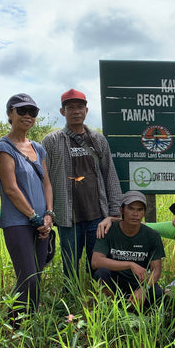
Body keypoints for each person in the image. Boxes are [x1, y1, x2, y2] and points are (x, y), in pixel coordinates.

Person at [42, 89, 122, 284]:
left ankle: (98, 301)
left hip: (97, 216)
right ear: (63, 112)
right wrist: (47, 212)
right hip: (68, 217)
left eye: (80, 107)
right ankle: (69, 304)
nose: (76, 111)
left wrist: (115, 211)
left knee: (98, 264)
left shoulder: (98, 140)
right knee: (70, 265)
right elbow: (43, 180)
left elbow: (109, 174)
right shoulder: (51, 141)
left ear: (86, 110)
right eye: (70, 108)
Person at [0, 93, 54, 320]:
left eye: (33, 112)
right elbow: (11, 189)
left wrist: (48, 214)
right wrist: (35, 218)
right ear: (10, 114)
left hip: (42, 224)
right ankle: (15, 328)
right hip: (19, 223)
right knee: (27, 277)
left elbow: (46, 183)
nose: (28, 116)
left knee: (36, 276)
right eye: (22, 111)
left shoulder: (38, 149)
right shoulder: (4, 148)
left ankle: (30, 324)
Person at [91, 191, 165, 310]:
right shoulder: (108, 230)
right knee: (101, 274)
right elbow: (96, 262)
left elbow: (156, 270)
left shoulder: (152, 236)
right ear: (121, 210)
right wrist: (130, 264)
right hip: (115, 280)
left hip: (139, 282)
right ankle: (110, 311)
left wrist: (144, 289)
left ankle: (143, 319)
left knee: (158, 295)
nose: (135, 214)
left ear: (144, 212)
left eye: (140, 210)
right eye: (131, 209)